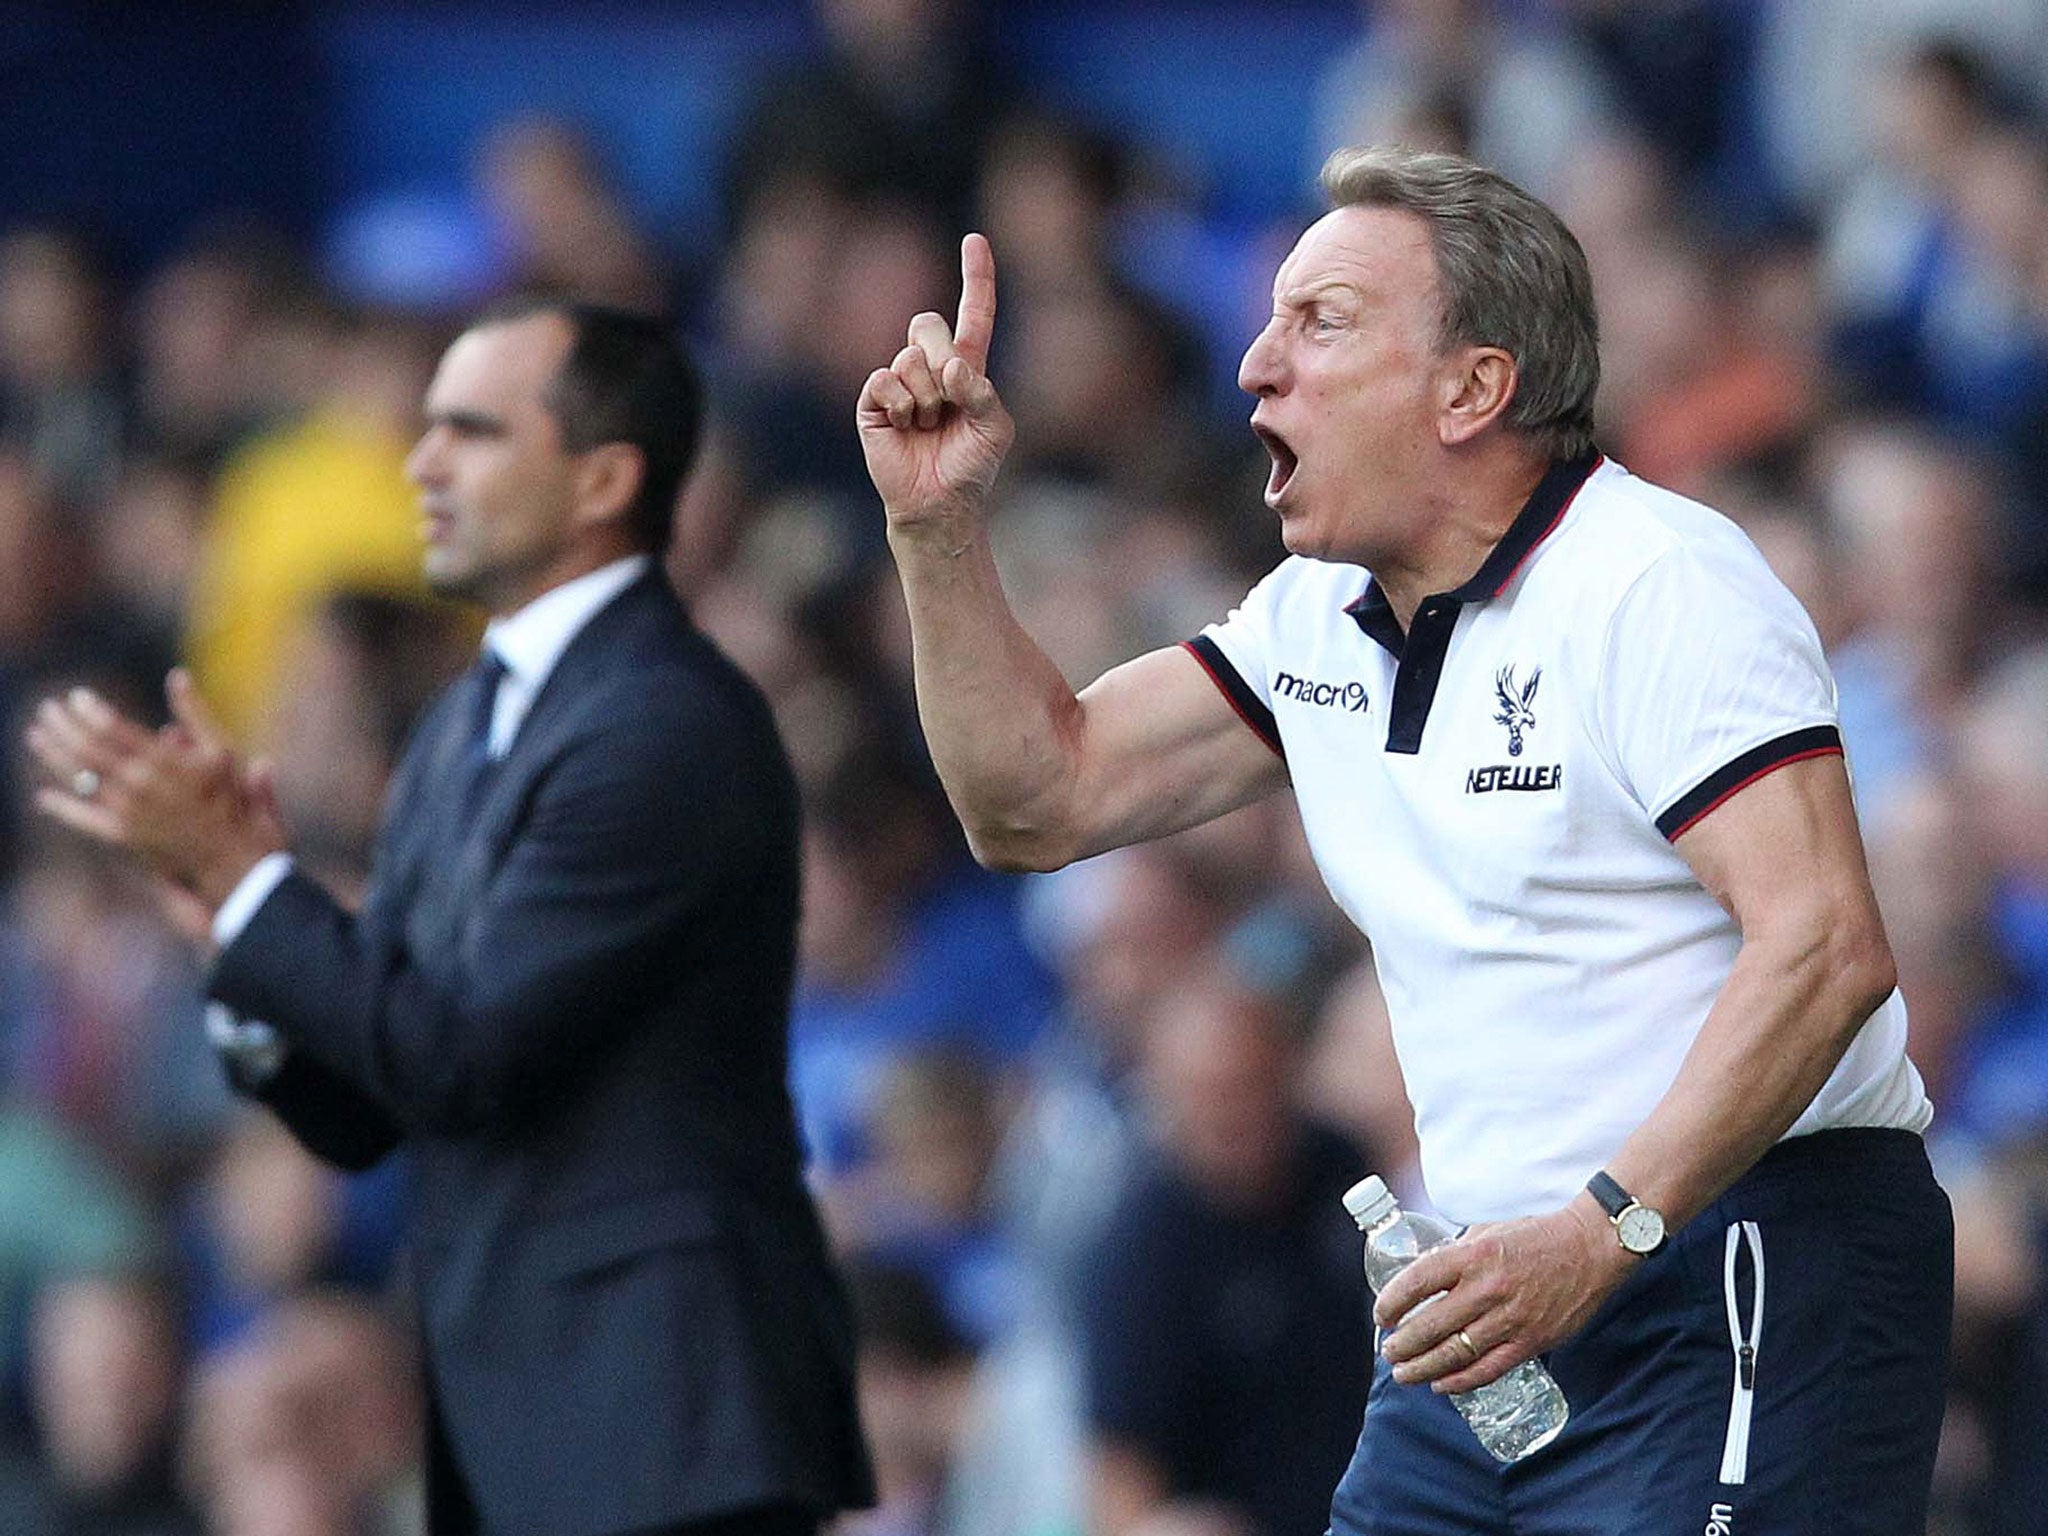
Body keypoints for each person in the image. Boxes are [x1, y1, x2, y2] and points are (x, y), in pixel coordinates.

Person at [857, 145, 1950, 1534]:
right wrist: (936, 528)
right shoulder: (1316, 618)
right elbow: (1035, 800)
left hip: (1741, 1252)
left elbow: (1829, 946)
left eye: (1320, 323)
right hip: (1496, 1288)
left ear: (1473, 388)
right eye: (1266, 321)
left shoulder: (1659, 583)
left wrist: (1602, 1229)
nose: (1254, 365)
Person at [28, 300, 875, 1536]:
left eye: (470, 433)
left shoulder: (660, 726)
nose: (418, 465)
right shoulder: (463, 725)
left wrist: (250, 884)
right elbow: (373, 1099)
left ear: (602, 478)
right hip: (535, 1420)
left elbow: (461, 1057)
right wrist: (231, 919)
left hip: (667, 1417)